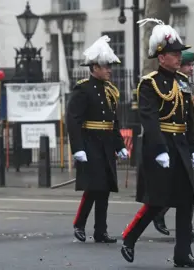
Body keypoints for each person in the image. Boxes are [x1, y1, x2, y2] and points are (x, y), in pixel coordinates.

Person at [120, 18, 194, 268]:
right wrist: (159, 149)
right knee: (158, 200)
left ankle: (183, 254)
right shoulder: (149, 83)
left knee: (185, 201)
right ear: (161, 57)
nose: (178, 57)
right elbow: (149, 118)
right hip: (160, 147)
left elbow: (190, 118)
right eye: (173, 53)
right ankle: (129, 237)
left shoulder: (182, 82)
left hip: (180, 144)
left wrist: (192, 149)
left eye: (179, 53)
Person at [66, 35, 128, 244]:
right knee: (93, 188)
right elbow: (73, 121)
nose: (109, 70)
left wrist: (119, 145)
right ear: (94, 67)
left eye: (109, 66)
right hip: (90, 143)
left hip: (106, 144)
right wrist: (78, 148)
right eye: (105, 66)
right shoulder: (83, 89)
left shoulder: (110, 91)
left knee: (105, 189)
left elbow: (113, 122)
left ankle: (100, 231)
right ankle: (79, 224)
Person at [151, 50, 194, 241]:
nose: (190, 69)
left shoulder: (193, 88)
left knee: (190, 188)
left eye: (191, 66)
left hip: (189, 141)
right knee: (172, 185)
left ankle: (186, 228)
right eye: (187, 65)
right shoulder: (168, 85)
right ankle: (157, 213)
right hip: (175, 141)